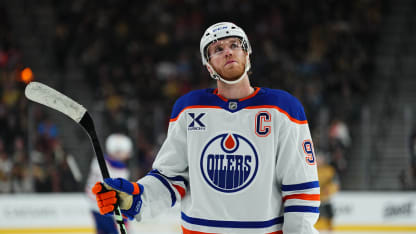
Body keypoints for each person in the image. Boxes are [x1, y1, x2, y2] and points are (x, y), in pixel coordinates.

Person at [92, 22, 320, 234]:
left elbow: (301, 190)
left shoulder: (283, 108)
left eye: (234, 45)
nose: (228, 51)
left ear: (247, 53)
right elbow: (170, 180)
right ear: (208, 64)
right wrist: (134, 199)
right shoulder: (188, 108)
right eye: (218, 49)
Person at [86, 133, 133, 234]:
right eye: (126, 151)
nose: (128, 154)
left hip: (94, 205)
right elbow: (120, 197)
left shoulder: (97, 161)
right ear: (118, 151)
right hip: (106, 208)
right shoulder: (120, 170)